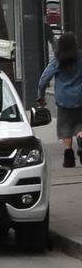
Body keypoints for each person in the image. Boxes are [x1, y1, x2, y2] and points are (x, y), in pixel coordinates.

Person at [37, 32, 82, 168]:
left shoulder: (58, 59)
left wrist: (41, 95)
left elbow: (44, 79)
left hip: (63, 100)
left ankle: (68, 157)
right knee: (80, 123)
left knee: (65, 127)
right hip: (80, 97)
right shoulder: (81, 56)